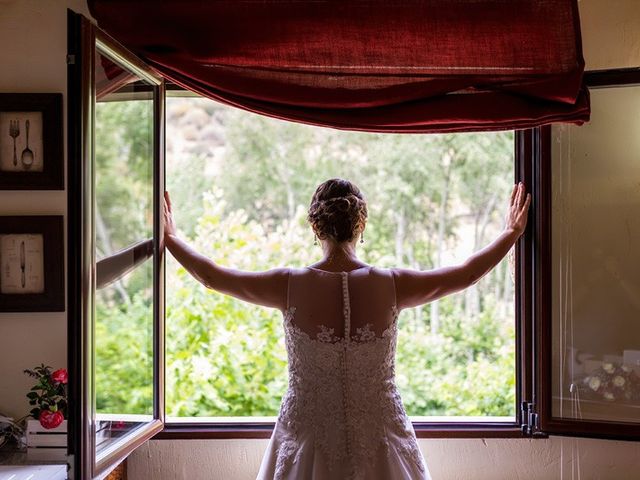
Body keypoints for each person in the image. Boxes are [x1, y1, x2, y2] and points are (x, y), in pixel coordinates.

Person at [163, 178, 531, 480]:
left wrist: (172, 239)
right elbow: (466, 274)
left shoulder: (288, 284)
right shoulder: (392, 284)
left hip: (308, 433)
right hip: (380, 433)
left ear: (315, 226)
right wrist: (511, 233)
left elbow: (211, 276)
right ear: (361, 224)